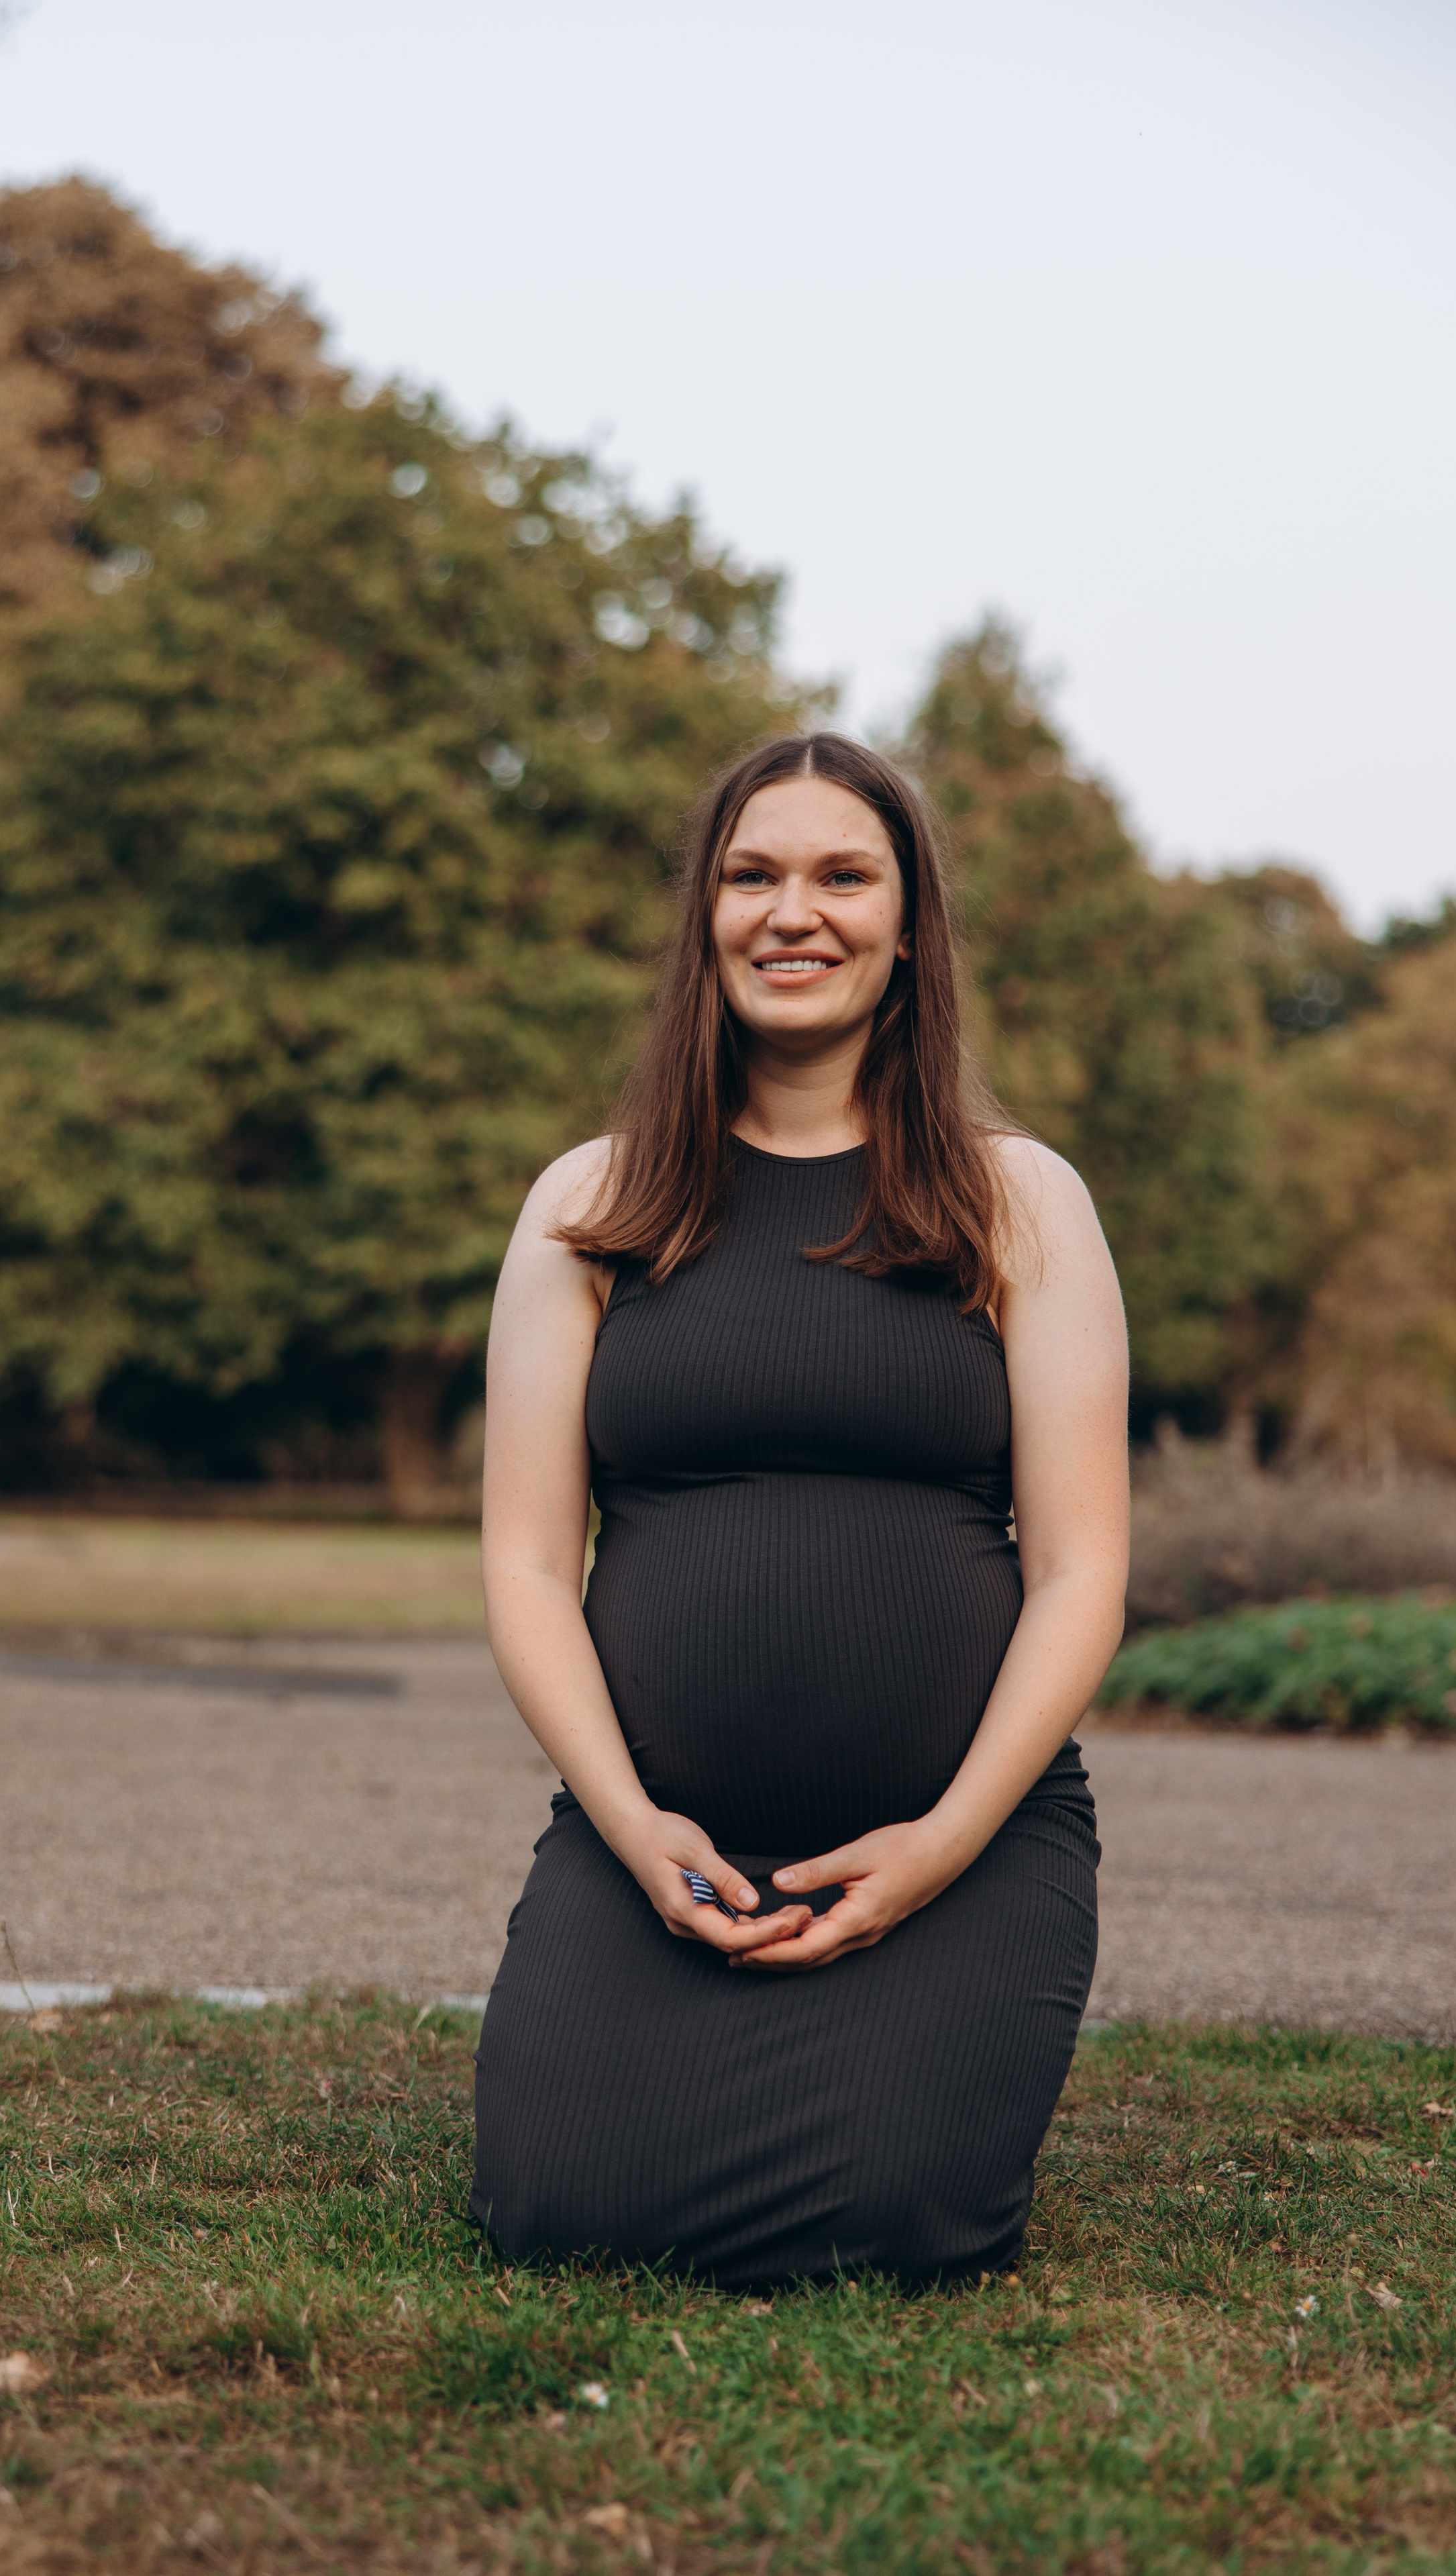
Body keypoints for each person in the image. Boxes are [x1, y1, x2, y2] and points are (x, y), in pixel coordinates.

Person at [471, 731, 1129, 2289]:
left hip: (957, 1847)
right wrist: (630, 1826)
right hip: (661, 1848)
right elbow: (524, 1561)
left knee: (896, 2222)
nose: (791, 911)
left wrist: (939, 1842)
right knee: (553, 2207)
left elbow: (1081, 1567)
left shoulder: (1018, 1199)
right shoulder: (589, 1204)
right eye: (750, 874)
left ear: (906, 929)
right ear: (704, 917)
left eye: (843, 875)